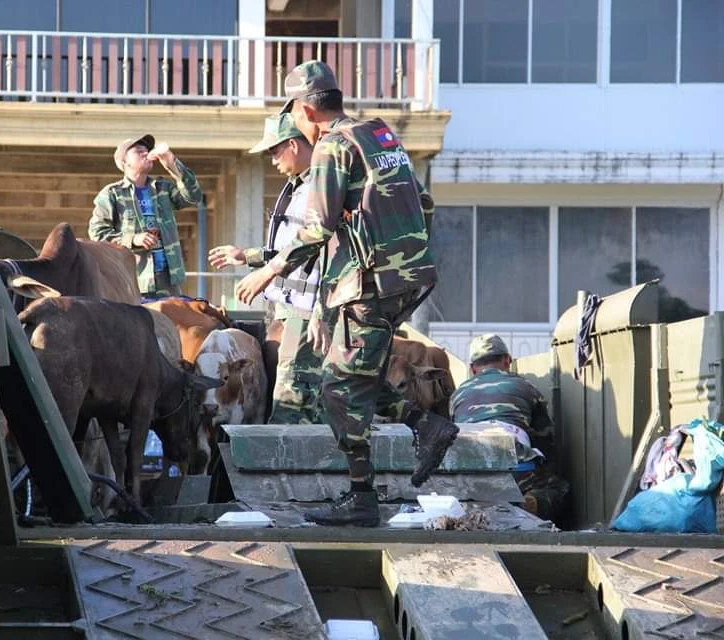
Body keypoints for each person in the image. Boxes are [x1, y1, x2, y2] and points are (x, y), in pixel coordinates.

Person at [234, 60, 459, 526]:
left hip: (367, 284)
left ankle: (362, 499)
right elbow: (425, 203)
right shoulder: (379, 135)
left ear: (305, 109)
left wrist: (268, 270)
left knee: (335, 389)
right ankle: (427, 425)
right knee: (354, 373)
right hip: (402, 279)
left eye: (293, 113)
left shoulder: (332, 147)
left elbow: (317, 227)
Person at [209, 113, 324, 424]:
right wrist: (246, 257)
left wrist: (266, 272)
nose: (272, 160)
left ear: (292, 145)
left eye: (274, 151)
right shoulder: (298, 186)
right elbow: (291, 244)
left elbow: (315, 242)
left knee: (291, 405)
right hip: (291, 308)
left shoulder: (320, 186)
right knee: (298, 400)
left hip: (309, 310)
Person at [450, 334, 569, 523]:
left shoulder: (458, 394)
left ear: (473, 368)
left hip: (469, 468)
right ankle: (530, 502)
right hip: (515, 463)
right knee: (557, 488)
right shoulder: (525, 387)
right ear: (507, 360)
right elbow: (545, 439)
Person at [88, 134, 202, 298]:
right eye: (138, 151)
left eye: (146, 150)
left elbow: (193, 197)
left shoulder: (162, 188)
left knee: (173, 322)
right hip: (134, 281)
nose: (145, 153)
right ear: (124, 162)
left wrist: (173, 165)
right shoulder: (112, 194)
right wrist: (133, 240)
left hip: (168, 280)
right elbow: (98, 235)